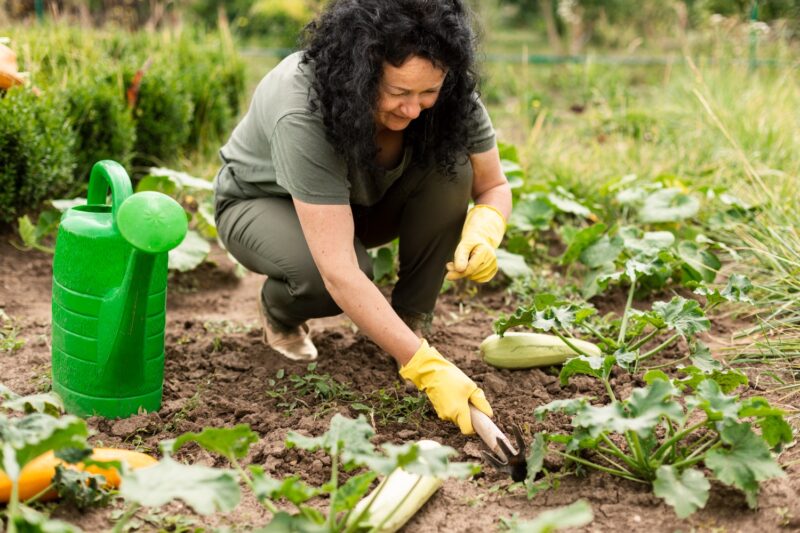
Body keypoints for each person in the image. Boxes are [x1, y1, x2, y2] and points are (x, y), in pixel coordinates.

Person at [213, 0, 512, 436]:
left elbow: (492, 185)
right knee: (327, 281)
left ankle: (410, 324)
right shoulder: (303, 104)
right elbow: (340, 272)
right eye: (398, 93)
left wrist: (486, 228)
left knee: (453, 166)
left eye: (427, 93)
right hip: (261, 204)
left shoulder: (447, 94)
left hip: (361, 204)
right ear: (360, 73)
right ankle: (279, 312)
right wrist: (427, 370)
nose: (413, 110)